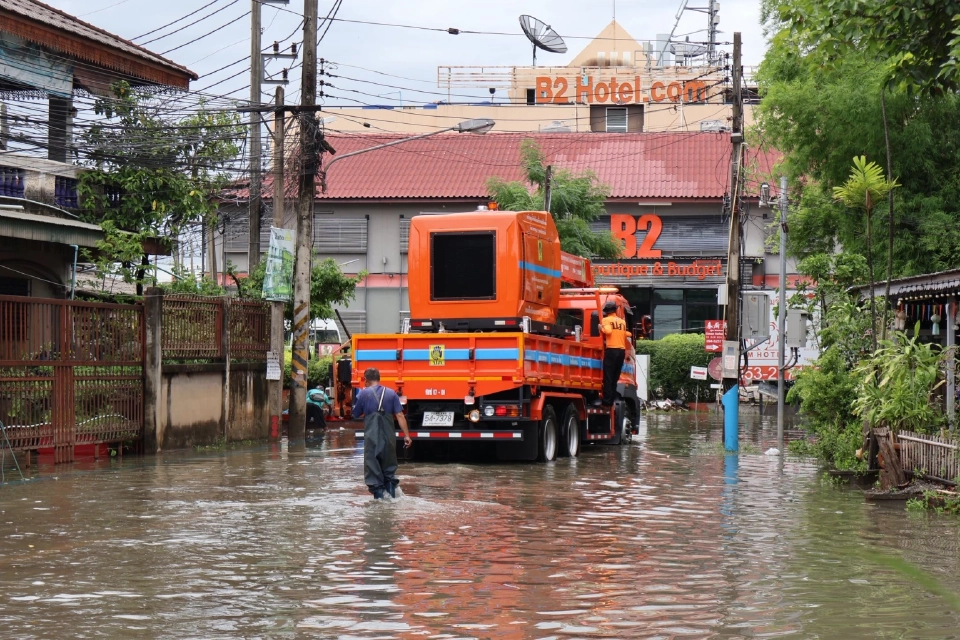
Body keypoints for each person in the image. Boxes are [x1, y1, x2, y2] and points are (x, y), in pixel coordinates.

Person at [352, 368, 412, 499]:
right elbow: (400, 415)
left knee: (373, 469)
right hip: (389, 437)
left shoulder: (363, 394)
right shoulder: (391, 393)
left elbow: (355, 414)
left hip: (372, 437)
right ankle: (392, 501)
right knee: (389, 470)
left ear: (366, 380)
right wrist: (407, 435)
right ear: (379, 378)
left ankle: (379, 503)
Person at [596, 300, 628, 407]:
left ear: (606, 311)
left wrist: (601, 328)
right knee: (615, 378)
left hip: (611, 350)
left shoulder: (606, 320)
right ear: (615, 310)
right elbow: (626, 334)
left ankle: (607, 402)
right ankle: (612, 400)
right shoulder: (622, 322)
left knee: (608, 377)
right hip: (621, 351)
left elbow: (608, 331)